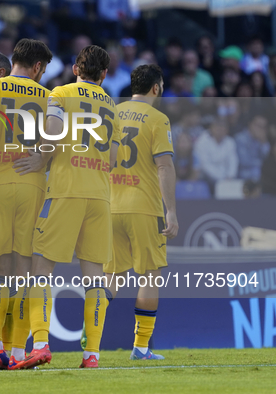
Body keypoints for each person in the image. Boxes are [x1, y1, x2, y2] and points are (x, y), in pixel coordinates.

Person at [12, 45, 120, 369]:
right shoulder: (112, 105)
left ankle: (42, 344)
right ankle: (92, 356)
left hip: (65, 190)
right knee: (95, 279)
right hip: (100, 195)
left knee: (41, 271)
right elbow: (113, 159)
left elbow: (55, 132)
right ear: (104, 74)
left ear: (76, 69)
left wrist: (40, 158)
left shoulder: (60, 92)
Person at [0, 39, 52, 371]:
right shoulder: (48, 96)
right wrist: (42, 158)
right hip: (32, 185)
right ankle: (18, 352)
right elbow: (59, 140)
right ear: (36, 68)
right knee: (24, 271)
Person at [104, 64, 178, 360]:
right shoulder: (158, 119)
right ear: (156, 88)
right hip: (144, 207)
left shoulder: (112, 112)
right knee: (149, 275)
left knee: (111, 276)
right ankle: (141, 347)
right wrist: (170, 211)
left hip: (110, 204)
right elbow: (164, 166)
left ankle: (91, 332)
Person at [193, 120, 238, 192]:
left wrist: (230, 176)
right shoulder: (202, 141)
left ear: (226, 130)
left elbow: (233, 161)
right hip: (207, 177)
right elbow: (205, 164)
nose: (220, 131)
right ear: (211, 129)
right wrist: (221, 179)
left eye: (222, 129)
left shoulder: (230, 142)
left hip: (227, 179)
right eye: (217, 129)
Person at [235, 114, 270, 182]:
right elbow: (244, 161)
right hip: (243, 174)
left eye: (264, 127)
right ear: (250, 124)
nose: (261, 129)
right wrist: (263, 164)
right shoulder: (240, 138)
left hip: (260, 174)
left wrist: (263, 142)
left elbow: (268, 158)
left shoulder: (262, 140)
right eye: (259, 126)